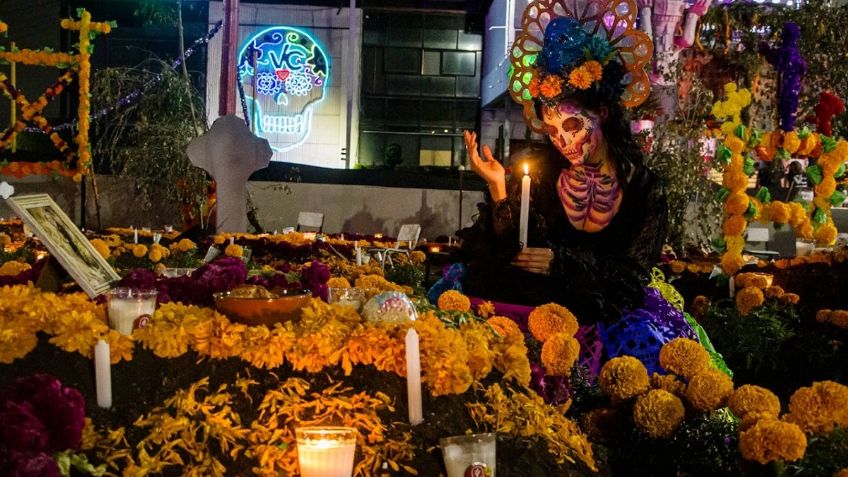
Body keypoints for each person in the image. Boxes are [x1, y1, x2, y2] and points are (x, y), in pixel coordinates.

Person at [436, 0, 726, 376]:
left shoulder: (645, 190)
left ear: (602, 113)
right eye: (552, 131)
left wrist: (561, 263)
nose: (562, 141)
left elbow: (629, 277)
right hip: (541, 300)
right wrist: (497, 188)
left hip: (602, 308)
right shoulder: (541, 176)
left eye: (572, 127)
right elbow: (514, 246)